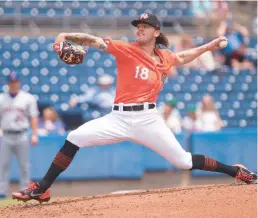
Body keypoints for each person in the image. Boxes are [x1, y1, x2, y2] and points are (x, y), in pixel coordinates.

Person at [12, 13, 257, 203]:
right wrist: (65, 34)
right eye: (138, 25)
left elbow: (182, 58)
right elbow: (93, 40)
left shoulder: (163, 58)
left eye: (145, 26)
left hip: (148, 120)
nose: (139, 28)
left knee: (183, 161)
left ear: (156, 32)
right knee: (74, 136)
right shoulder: (125, 49)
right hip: (117, 118)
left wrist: (208, 47)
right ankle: (42, 188)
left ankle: (235, 170)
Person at [0, 72, 39, 199]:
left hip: (22, 134)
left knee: (24, 164)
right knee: (3, 164)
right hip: (6, 135)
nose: (13, 84)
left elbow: (33, 117)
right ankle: (2, 192)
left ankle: (24, 190)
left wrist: (34, 134)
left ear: (19, 82)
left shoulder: (28, 98)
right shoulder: (1, 98)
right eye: (11, 82)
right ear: (8, 83)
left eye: (15, 81)